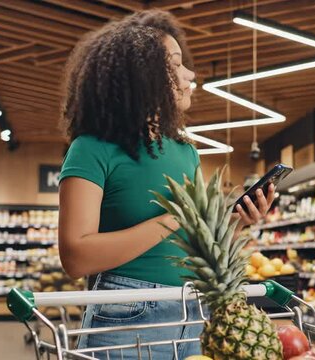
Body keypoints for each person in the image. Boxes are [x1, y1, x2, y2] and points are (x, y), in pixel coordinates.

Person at [58, 10, 275, 359]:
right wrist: (174, 216)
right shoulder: (92, 148)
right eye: (177, 65)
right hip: (126, 313)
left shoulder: (185, 151)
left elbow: (190, 241)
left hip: (193, 309)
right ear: (142, 77)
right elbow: (75, 256)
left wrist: (236, 223)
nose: (191, 75)